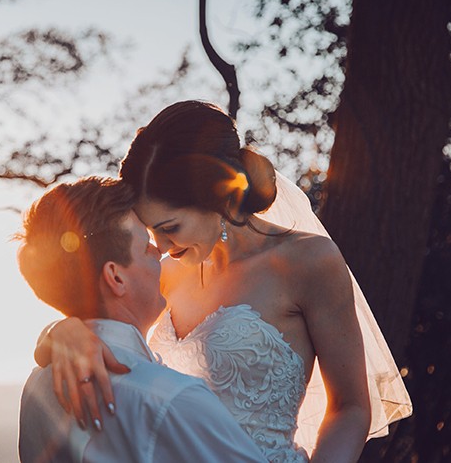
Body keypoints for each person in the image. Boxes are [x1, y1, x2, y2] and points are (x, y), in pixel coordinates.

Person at [34, 101, 412, 462]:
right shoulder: (162, 276)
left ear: (218, 198)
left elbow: (350, 407)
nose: (161, 246)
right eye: (150, 231)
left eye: (170, 228)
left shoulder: (309, 262)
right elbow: (109, 318)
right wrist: (62, 331)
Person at [16, 176, 268, 463]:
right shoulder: (172, 400)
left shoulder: (37, 385)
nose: (159, 250)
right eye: (144, 244)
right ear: (116, 277)